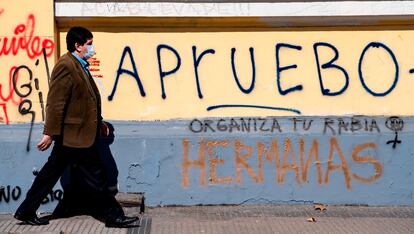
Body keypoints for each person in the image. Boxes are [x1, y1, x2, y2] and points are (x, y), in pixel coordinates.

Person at [14, 26, 138, 228]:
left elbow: (84, 102)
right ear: (77, 45)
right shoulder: (66, 65)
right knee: (97, 176)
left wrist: (100, 122)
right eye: (89, 44)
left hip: (76, 135)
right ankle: (113, 216)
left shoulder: (79, 65)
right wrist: (49, 133)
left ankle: (26, 210)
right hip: (74, 136)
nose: (92, 48)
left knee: (50, 174)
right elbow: (56, 102)